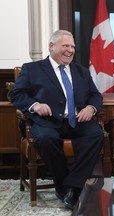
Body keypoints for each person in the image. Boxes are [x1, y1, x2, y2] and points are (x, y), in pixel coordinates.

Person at [10, 30, 104, 209]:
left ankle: (72, 187)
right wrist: (35, 105)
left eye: (72, 46)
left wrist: (90, 108)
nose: (70, 50)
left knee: (96, 134)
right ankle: (66, 188)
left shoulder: (81, 71)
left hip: (77, 120)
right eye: (65, 46)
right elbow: (16, 94)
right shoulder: (32, 69)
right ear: (51, 46)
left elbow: (95, 95)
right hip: (48, 122)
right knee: (46, 138)